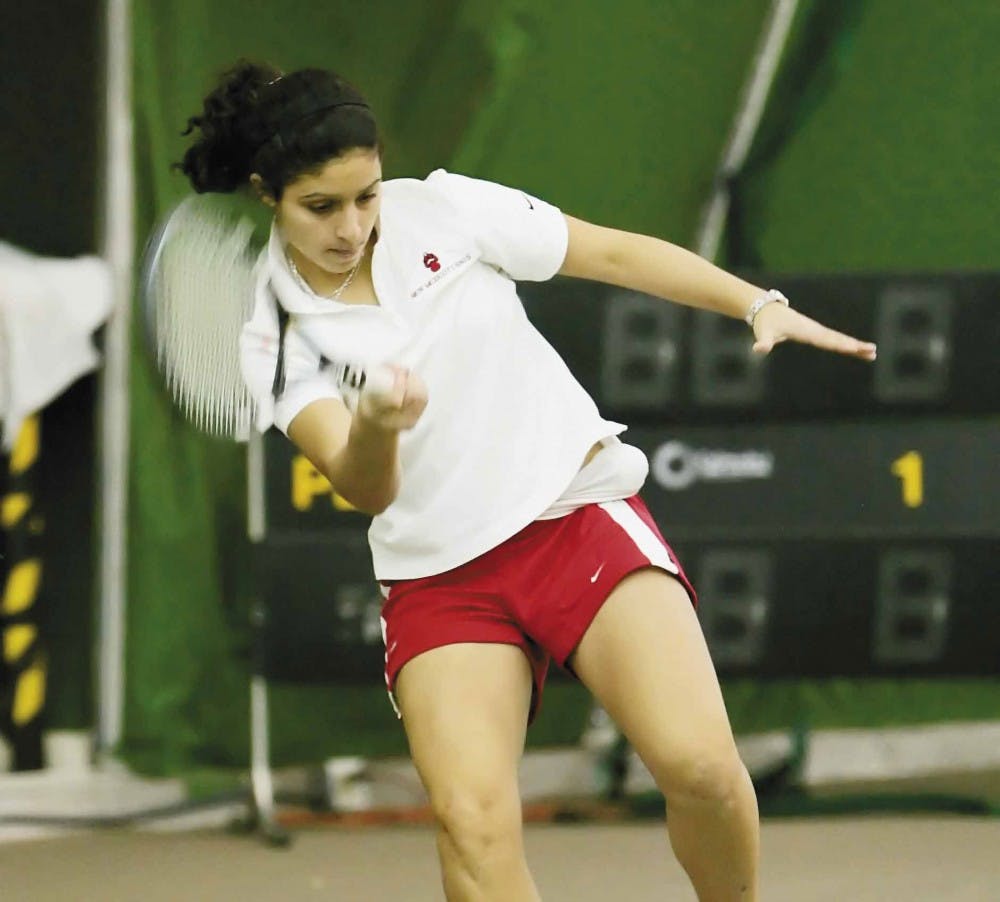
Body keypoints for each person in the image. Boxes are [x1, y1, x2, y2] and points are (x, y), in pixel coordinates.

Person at [180, 61, 876, 902]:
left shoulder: (445, 208)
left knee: (702, 771)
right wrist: (376, 428)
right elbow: (364, 486)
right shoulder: (273, 331)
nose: (352, 225)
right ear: (267, 194)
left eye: (364, 196)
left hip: (574, 517)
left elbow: (613, 253)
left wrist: (755, 303)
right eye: (320, 207)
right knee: (472, 827)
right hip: (441, 579)